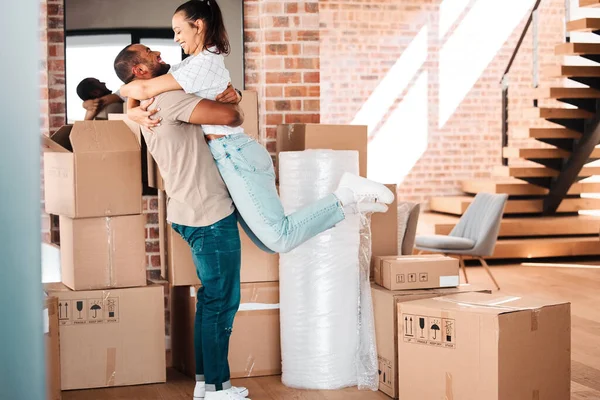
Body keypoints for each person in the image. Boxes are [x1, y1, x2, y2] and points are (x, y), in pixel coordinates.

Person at [119, 0, 395, 256]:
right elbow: (139, 84)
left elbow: (138, 85)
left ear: (199, 25)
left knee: (280, 238)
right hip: (230, 155)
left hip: (234, 154)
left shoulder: (199, 65)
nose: (176, 38)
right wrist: (132, 108)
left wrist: (130, 106)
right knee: (267, 243)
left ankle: (346, 193)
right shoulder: (194, 64)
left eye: (179, 31)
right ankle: (351, 205)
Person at [114, 44, 250, 400]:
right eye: (148, 53)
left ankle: (206, 384)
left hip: (187, 212)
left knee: (210, 301)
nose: (159, 51)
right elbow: (232, 118)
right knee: (222, 302)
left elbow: (127, 95)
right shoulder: (170, 101)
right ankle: (220, 388)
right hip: (209, 215)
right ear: (140, 72)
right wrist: (232, 100)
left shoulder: (146, 106)